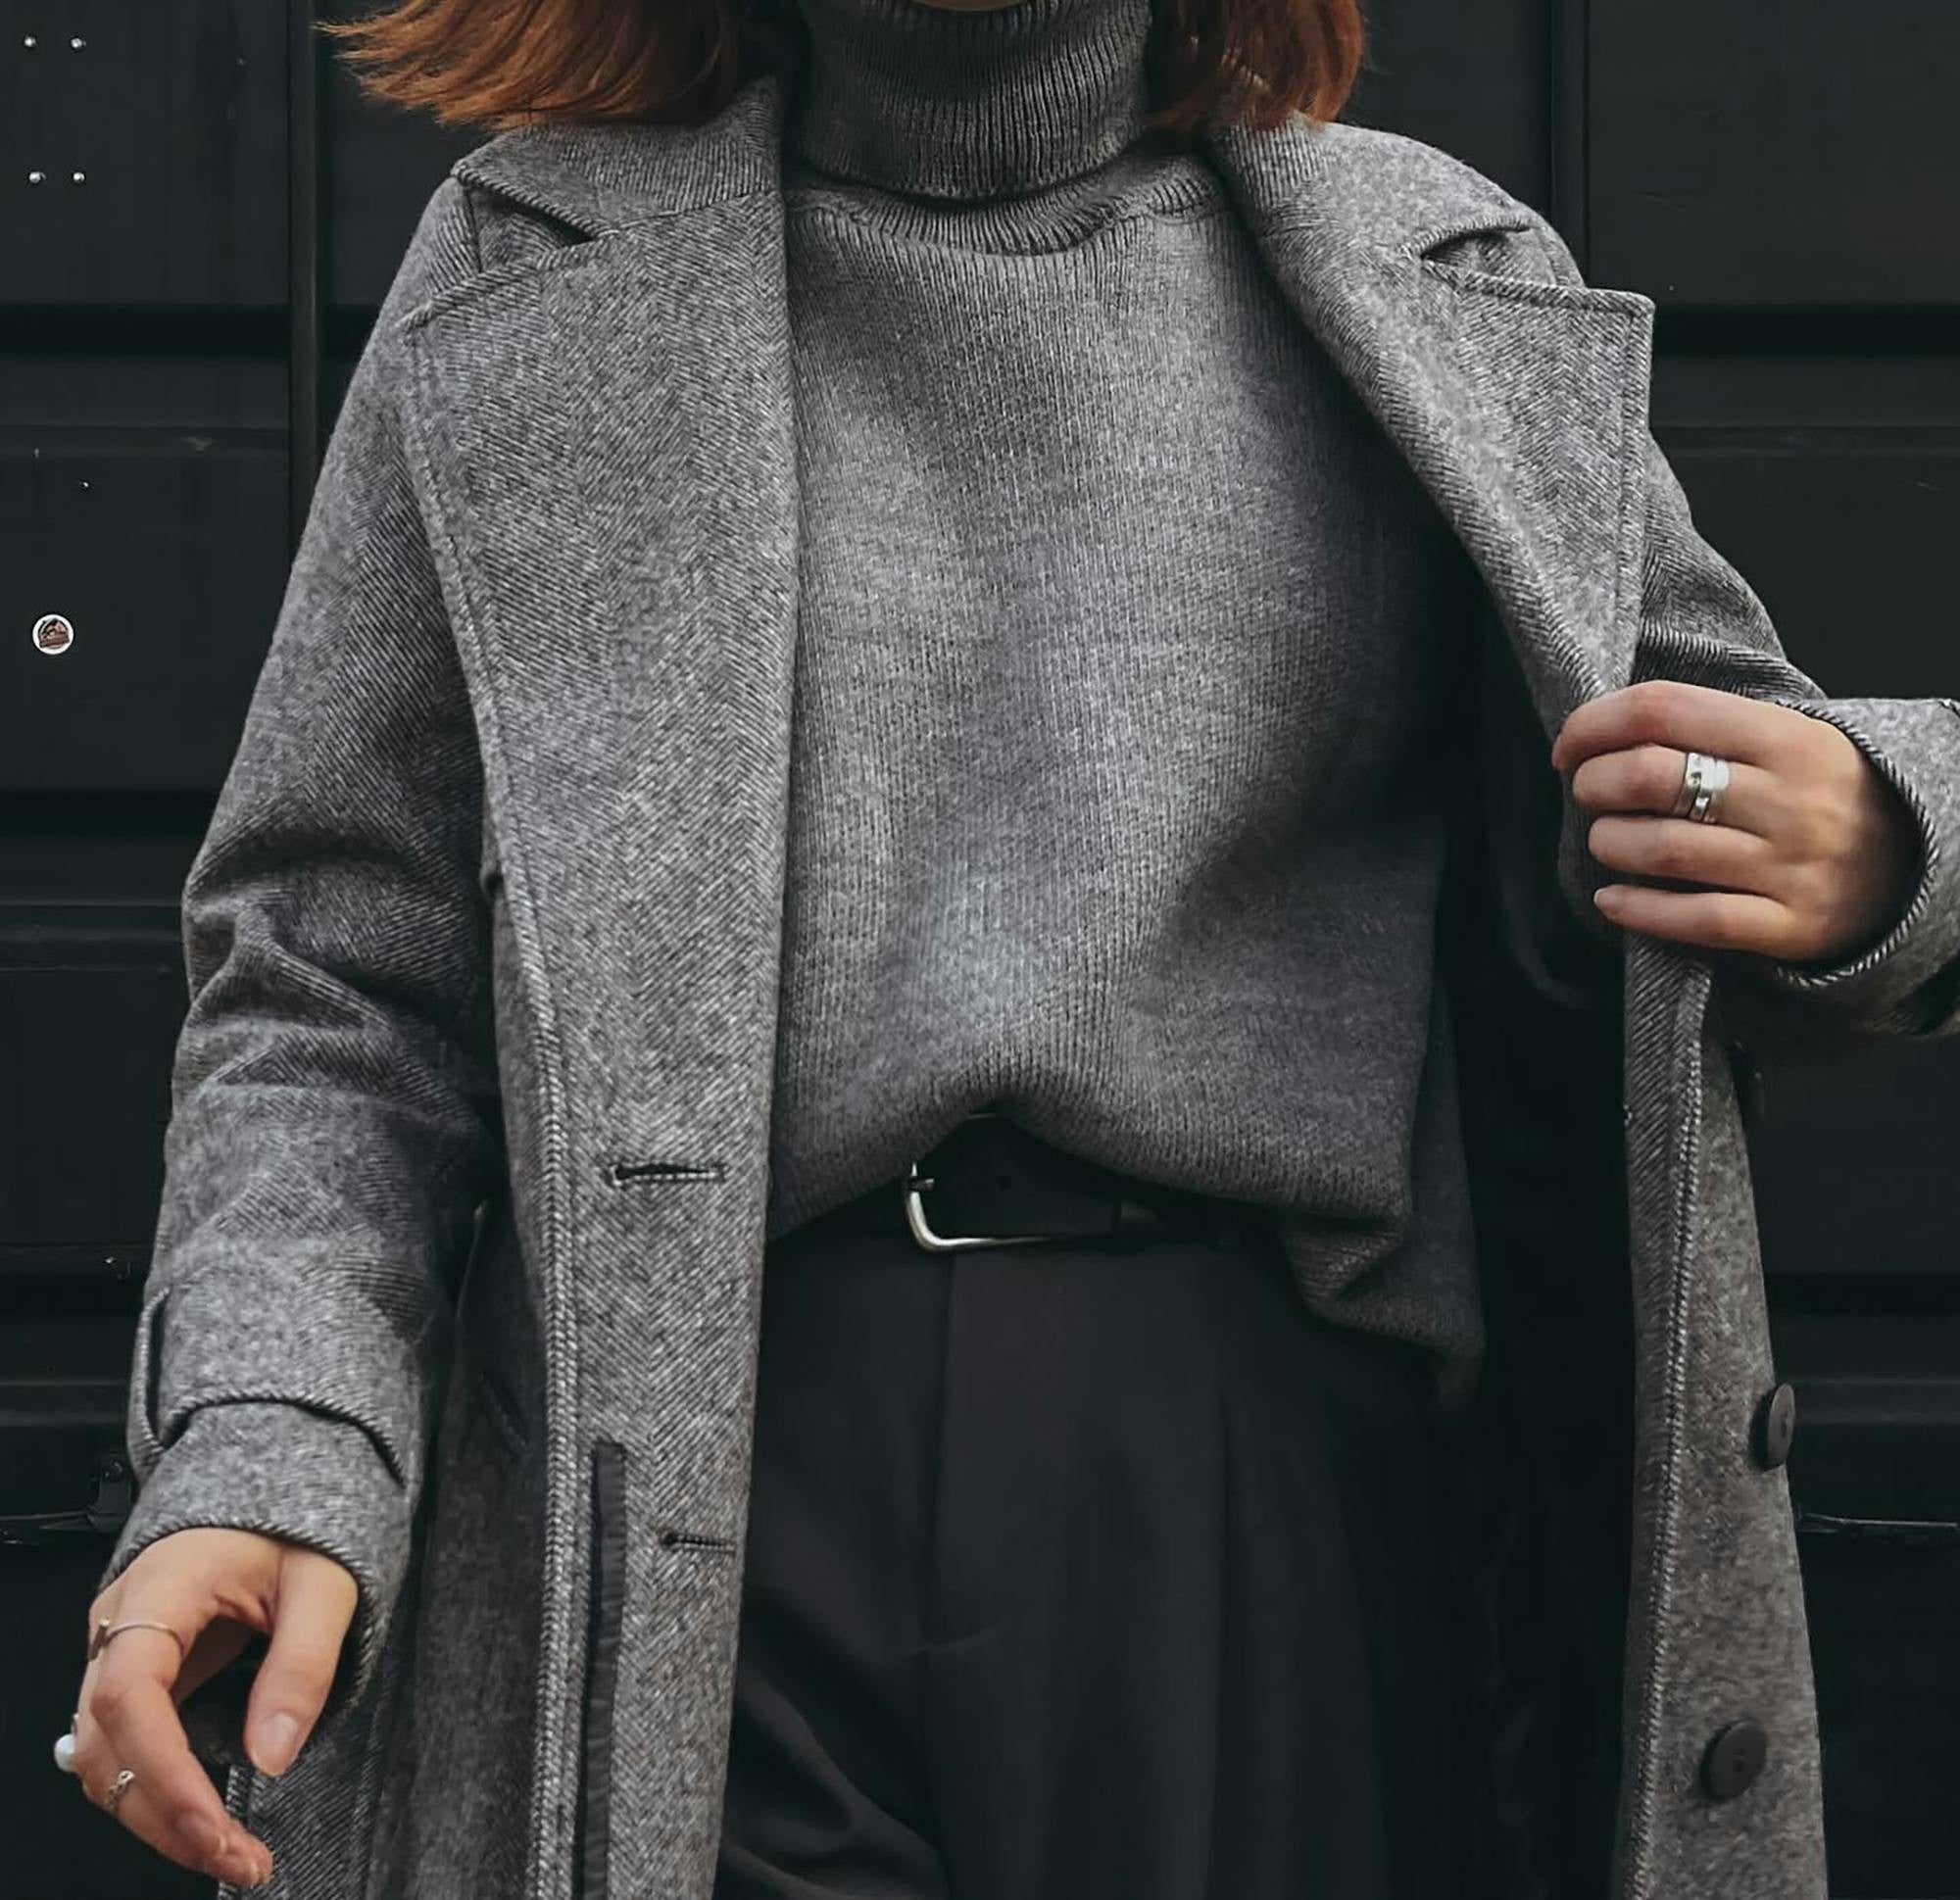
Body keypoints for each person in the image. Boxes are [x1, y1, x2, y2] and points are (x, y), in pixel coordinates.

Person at [60, 0, 1960, 1896]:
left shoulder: (1431, 280)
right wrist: (270, 1435)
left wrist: (1881, 837)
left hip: (1258, 1492)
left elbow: (1757, 783)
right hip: (690, 1478)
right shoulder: (530, 270)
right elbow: (334, 975)